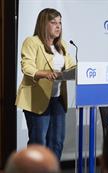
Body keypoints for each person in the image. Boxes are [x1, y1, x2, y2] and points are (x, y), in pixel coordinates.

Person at [15, 8, 75, 160]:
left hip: (57, 99)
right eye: (53, 22)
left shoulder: (62, 46)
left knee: (57, 142)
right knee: (38, 143)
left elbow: (71, 67)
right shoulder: (32, 42)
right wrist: (45, 74)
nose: (58, 26)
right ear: (43, 24)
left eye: (60, 22)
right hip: (37, 98)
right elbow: (27, 66)